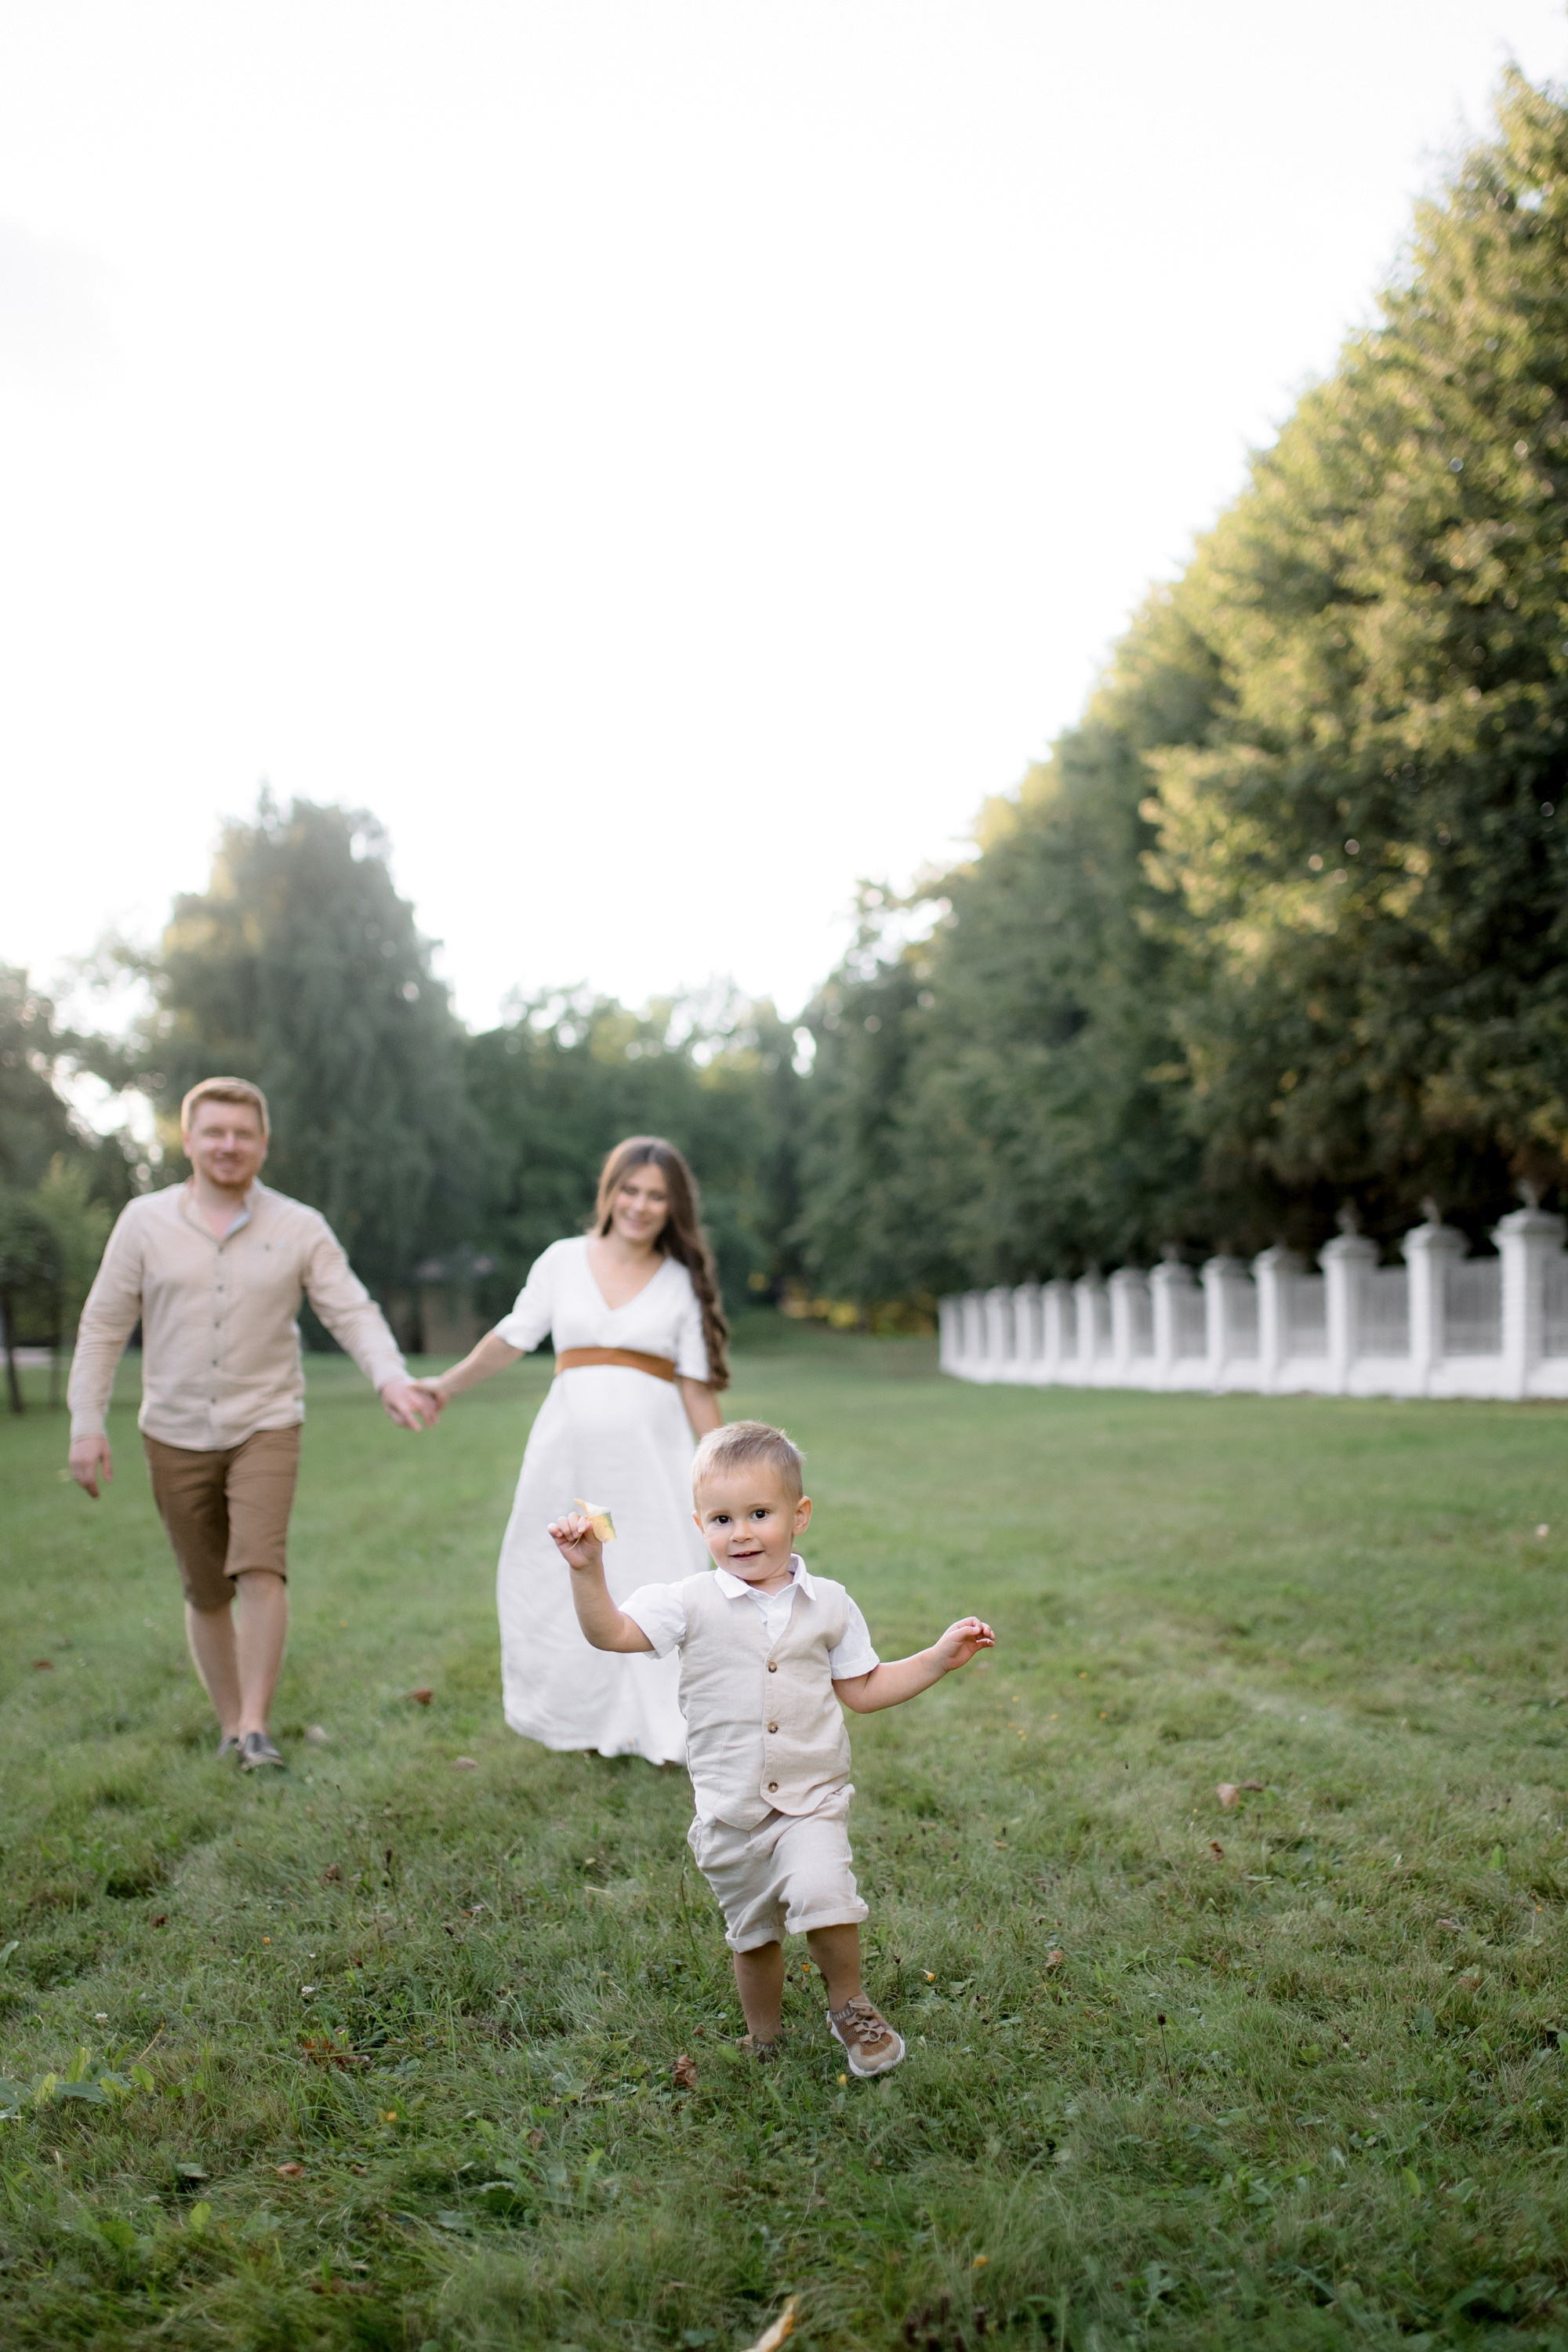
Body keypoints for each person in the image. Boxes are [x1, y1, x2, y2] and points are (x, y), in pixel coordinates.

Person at [548, 1418, 996, 2076]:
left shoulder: (830, 1604)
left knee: (825, 1894)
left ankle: (851, 2007)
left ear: (799, 1515)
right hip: (730, 1810)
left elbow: (865, 1689)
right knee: (753, 1936)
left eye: (760, 1513)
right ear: (700, 1525)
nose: (742, 1533)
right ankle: (764, 2040)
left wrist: (935, 1659)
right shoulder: (687, 1603)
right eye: (722, 1519)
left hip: (811, 1797)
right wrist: (589, 1572)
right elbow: (611, 1633)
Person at [67, 1075, 437, 1768]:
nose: (229, 1145)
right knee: (205, 1586)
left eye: (243, 1134)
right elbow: (103, 1325)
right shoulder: (144, 1222)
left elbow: (350, 1309)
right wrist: (86, 1422)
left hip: (267, 1420)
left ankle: (257, 1727)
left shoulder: (299, 1227)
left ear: (264, 1143)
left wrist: (389, 1376)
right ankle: (230, 1723)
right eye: (214, 1132)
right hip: (172, 1429)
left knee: (261, 1566)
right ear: (190, 1140)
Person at [414, 1136, 725, 1765]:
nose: (640, 1206)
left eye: (656, 1196)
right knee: (572, 1574)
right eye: (629, 1190)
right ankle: (583, 1719)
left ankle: (663, 1727)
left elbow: (694, 1384)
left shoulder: (679, 1282)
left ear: (673, 1208)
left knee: (656, 1577)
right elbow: (511, 1336)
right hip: (573, 1464)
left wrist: (727, 1469)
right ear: (608, 1193)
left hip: (650, 1467)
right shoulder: (562, 1260)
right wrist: (445, 1385)